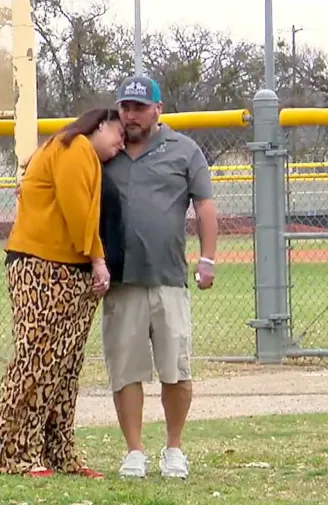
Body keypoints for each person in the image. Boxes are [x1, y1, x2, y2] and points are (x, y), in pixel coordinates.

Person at [0, 107, 126, 479]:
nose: (120, 145)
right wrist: (97, 258)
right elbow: (78, 212)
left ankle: (58, 451)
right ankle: (8, 453)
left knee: (64, 368)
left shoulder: (77, 153)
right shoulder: (73, 147)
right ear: (101, 124)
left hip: (69, 271)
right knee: (36, 362)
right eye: (118, 135)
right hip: (42, 267)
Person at [100, 76, 219, 479]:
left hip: (169, 277)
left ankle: (174, 448)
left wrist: (207, 259)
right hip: (120, 280)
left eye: (138, 107)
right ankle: (134, 451)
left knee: (176, 368)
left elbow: (204, 205)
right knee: (125, 369)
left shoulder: (184, 150)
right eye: (124, 107)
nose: (130, 115)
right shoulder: (107, 150)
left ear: (157, 109)